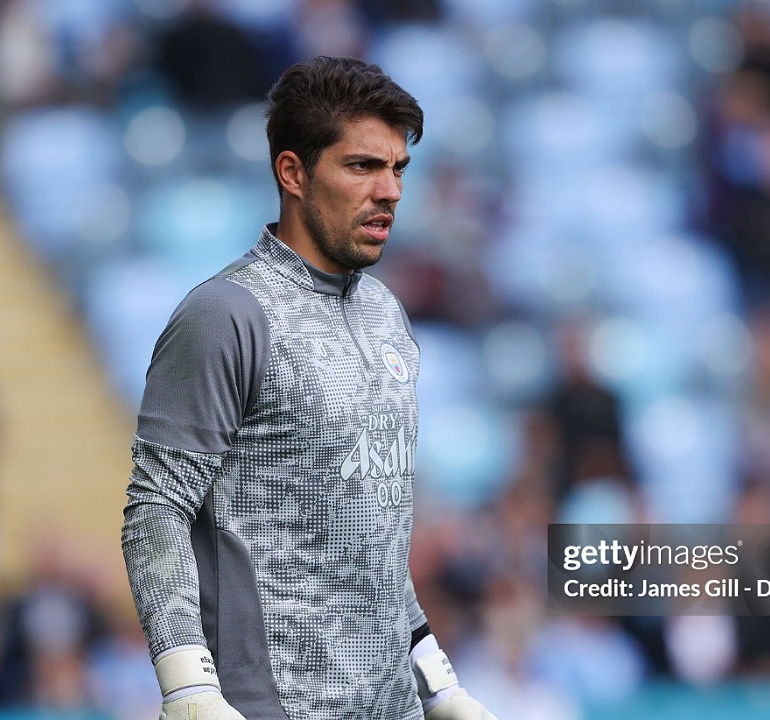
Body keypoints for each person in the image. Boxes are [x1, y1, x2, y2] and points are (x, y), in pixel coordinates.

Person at [121, 56, 497, 720]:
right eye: (362, 167)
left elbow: (369, 531)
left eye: (398, 169)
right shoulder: (225, 314)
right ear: (292, 172)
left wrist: (438, 682)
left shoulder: (386, 314)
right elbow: (156, 513)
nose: (390, 191)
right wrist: (188, 683)